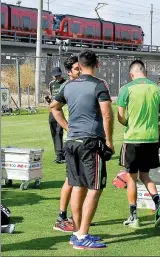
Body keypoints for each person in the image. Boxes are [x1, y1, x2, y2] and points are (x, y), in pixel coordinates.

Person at [50, 49, 114, 249]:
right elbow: (107, 115)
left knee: (78, 186)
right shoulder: (99, 84)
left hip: (72, 142)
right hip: (90, 143)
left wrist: (68, 127)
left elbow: (54, 107)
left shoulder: (68, 85)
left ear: (79, 63)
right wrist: (110, 142)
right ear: (98, 63)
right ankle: (82, 235)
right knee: (95, 188)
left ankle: (77, 233)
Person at [116, 60, 160, 230]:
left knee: (131, 178)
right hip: (151, 138)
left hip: (133, 139)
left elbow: (120, 116)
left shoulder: (126, 89)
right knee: (145, 176)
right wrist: (158, 129)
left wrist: (128, 124)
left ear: (132, 74)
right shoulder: (157, 89)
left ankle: (133, 217)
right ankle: (159, 205)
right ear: (144, 72)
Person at [53, 55, 80, 233]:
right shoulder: (67, 86)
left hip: (82, 139)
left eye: (81, 67)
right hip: (73, 139)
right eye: (77, 69)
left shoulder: (82, 84)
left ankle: (75, 217)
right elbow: (55, 108)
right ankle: (61, 218)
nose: (80, 70)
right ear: (69, 72)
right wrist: (67, 127)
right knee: (71, 180)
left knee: (80, 181)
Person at [48, 67, 67, 163]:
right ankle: (58, 153)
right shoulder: (51, 84)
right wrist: (49, 101)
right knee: (54, 131)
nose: (58, 77)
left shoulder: (66, 83)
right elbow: (51, 96)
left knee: (59, 131)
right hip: (52, 110)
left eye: (59, 75)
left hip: (61, 110)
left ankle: (60, 154)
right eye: (56, 76)